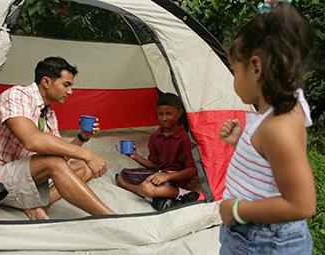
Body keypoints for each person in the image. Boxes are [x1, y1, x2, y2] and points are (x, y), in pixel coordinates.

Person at [218, 2, 316, 254]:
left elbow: (302, 205)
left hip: (260, 239)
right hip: (258, 234)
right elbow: (269, 162)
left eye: (234, 70)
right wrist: (242, 141)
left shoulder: (276, 128)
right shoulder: (288, 102)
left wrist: (236, 209)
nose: (234, 81)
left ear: (256, 67)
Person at [0, 56, 115, 220]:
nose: (70, 92)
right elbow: (32, 140)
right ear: (46, 81)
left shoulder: (48, 113)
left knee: (82, 167)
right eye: (66, 85)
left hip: (26, 175)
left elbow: (60, 156)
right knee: (55, 163)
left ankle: (37, 206)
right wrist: (88, 154)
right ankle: (110, 217)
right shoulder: (16, 95)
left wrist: (82, 137)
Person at [116, 93, 200, 210]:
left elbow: (193, 170)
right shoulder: (155, 137)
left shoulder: (185, 138)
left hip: (176, 180)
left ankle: (182, 193)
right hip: (158, 175)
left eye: (169, 114)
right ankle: (152, 195)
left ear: (180, 113)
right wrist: (135, 156)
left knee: (147, 188)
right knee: (119, 177)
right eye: (160, 114)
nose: (163, 118)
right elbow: (154, 164)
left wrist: (168, 176)